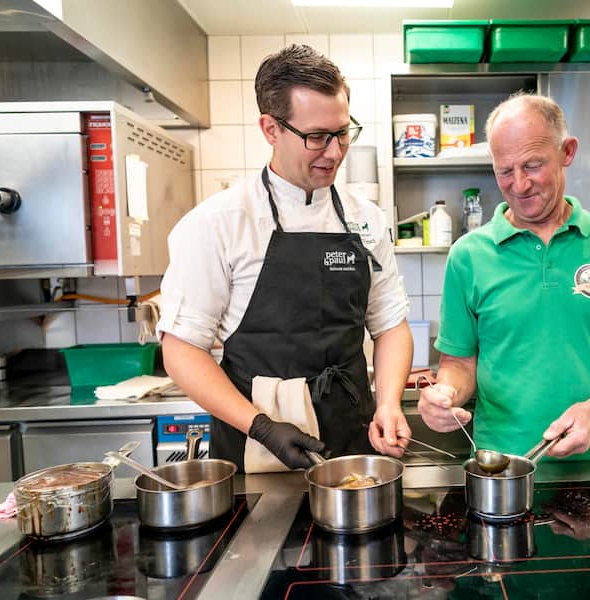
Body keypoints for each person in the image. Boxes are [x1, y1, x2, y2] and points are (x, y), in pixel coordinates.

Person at [157, 44, 413, 472]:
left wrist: (388, 402)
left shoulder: (365, 219)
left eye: (343, 132)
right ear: (270, 129)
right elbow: (181, 350)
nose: (334, 152)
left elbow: (390, 325)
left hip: (353, 437)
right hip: (257, 445)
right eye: (316, 137)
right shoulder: (217, 223)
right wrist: (260, 425)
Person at [418, 94, 590, 461]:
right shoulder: (468, 256)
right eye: (504, 171)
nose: (519, 185)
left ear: (567, 151)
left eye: (533, 165)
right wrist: (444, 396)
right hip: (502, 470)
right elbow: (459, 364)